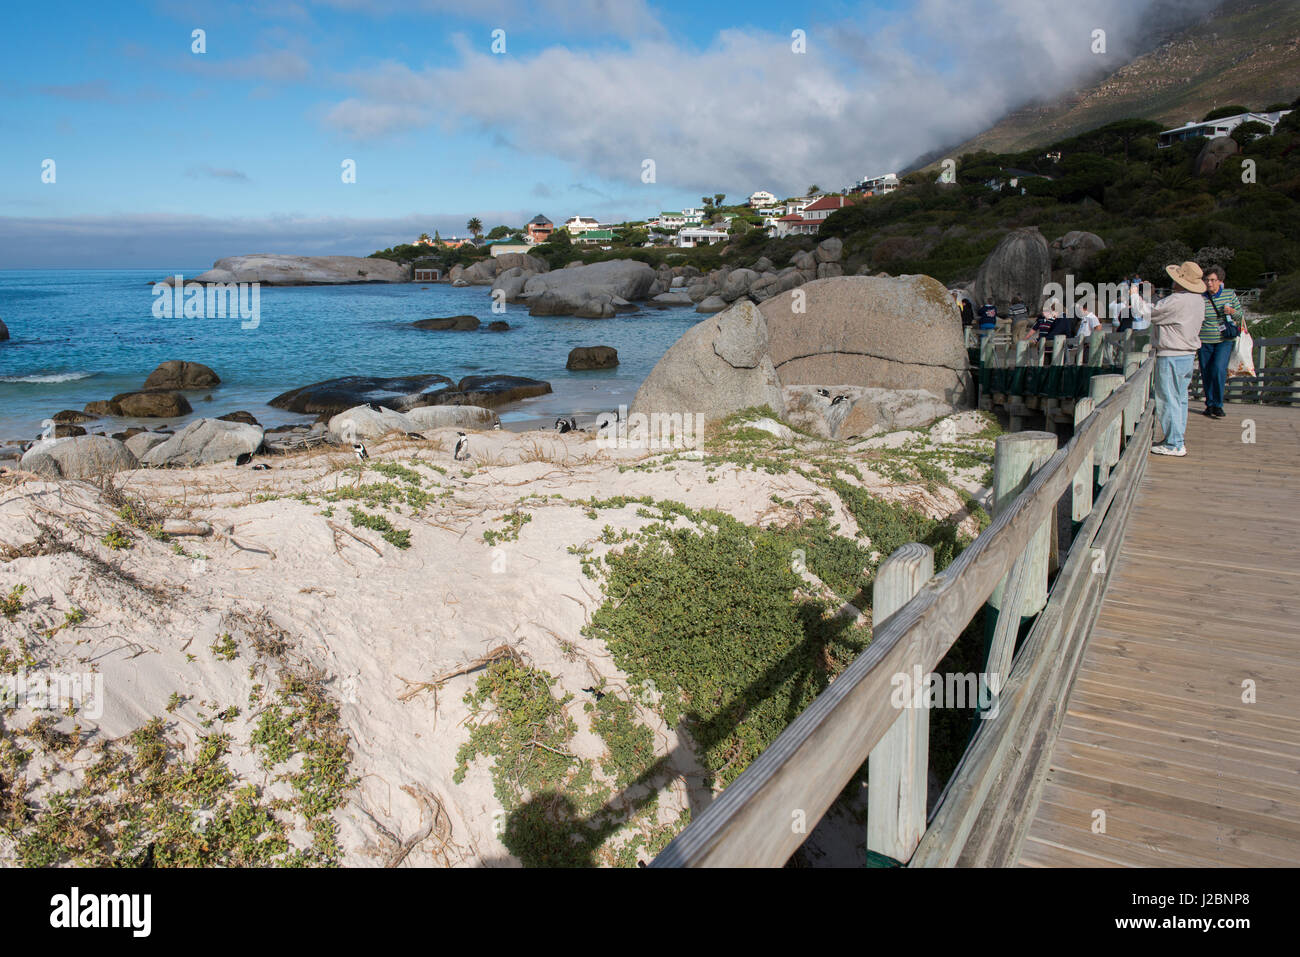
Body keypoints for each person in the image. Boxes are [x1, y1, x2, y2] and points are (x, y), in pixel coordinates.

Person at [1148, 261, 1206, 457]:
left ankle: (1174, 443)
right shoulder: (1199, 300)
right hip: (1188, 355)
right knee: (1180, 399)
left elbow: (1151, 313)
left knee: (1167, 398)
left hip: (1171, 353)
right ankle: (1177, 438)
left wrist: (1136, 298)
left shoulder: (1177, 300)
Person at [1197, 264, 1244, 419]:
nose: (1209, 283)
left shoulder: (1229, 294)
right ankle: (1209, 404)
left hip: (1224, 340)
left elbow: (1241, 317)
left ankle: (1218, 404)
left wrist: (1233, 312)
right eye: (1207, 280)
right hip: (1204, 340)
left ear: (1220, 281)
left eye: (1212, 280)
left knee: (1218, 369)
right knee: (1206, 371)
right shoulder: (1201, 297)